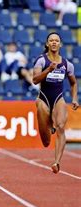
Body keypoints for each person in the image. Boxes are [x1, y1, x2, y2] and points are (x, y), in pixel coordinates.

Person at [32, 32, 78, 174]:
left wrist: (75, 98)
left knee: (61, 127)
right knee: (46, 142)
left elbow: (73, 83)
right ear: (47, 44)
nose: (53, 42)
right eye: (51, 40)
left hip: (58, 98)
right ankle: (48, 126)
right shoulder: (41, 61)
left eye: (56, 40)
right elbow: (35, 80)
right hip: (43, 98)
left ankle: (57, 162)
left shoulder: (67, 64)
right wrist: (48, 70)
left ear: (60, 44)